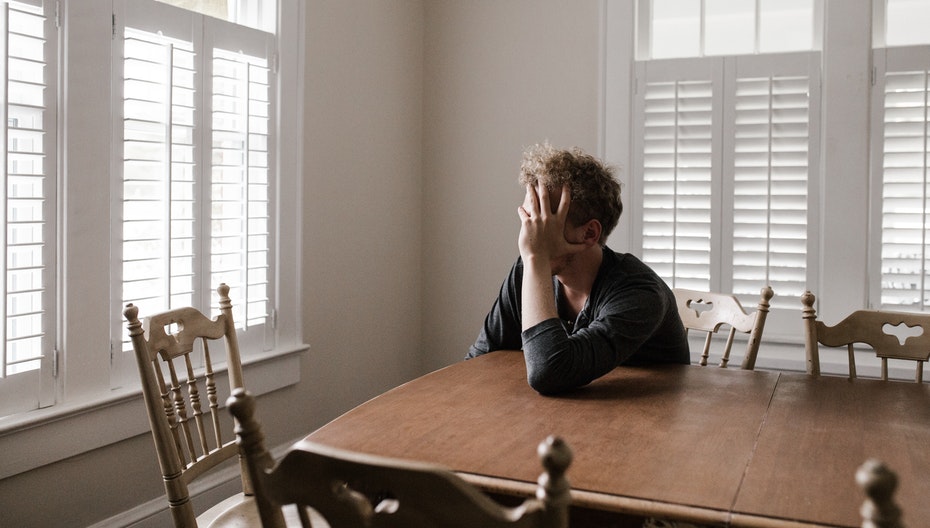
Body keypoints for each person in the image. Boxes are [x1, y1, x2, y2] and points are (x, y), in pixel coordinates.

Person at [467, 142, 690, 394]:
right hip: (568, 416)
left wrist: (536, 259)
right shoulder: (528, 270)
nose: (528, 235)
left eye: (542, 221)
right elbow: (479, 361)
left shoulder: (640, 293)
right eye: (528, 219)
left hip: (651, 420)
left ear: (589, 233)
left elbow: (549, 372)